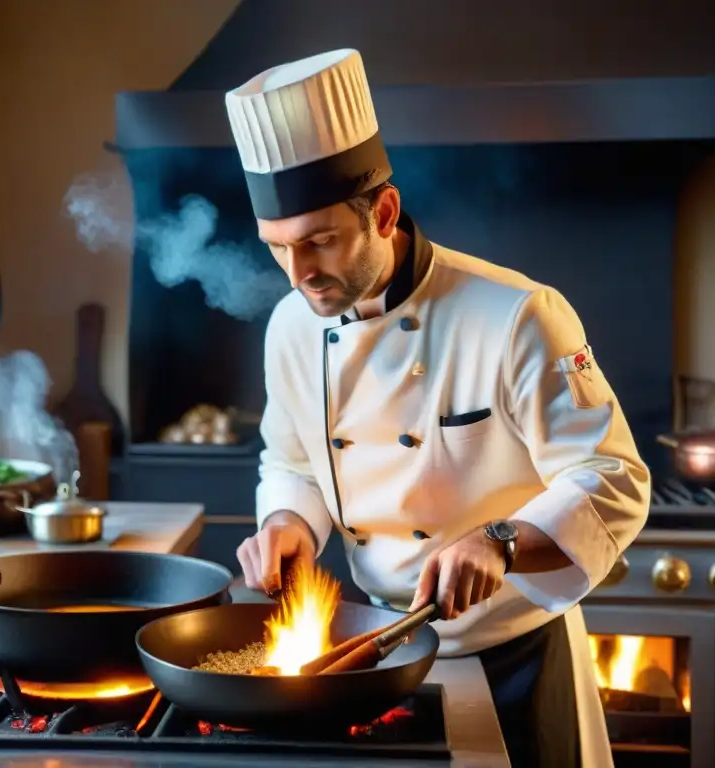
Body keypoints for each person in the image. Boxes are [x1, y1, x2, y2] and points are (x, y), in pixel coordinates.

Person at [226, 49, 650, 767]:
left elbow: (613, 479)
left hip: (513, 657)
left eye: (319, 242)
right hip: (375, 656)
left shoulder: (517, 315)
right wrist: (288, 522)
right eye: (278, 249)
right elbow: (292, 457)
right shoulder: (292, 326)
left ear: (383, 212)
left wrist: (501, 540)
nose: (299, 275)